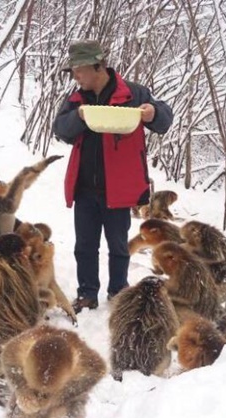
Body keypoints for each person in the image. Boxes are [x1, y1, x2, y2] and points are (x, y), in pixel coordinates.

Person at [52, 40, 173, 313]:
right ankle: (87, 293)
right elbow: (60, 129)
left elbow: (164, 119)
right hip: (84, 187)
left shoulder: (133, 93)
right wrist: (79, 116)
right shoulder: (76, 99)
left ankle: (118, 291)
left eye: (79, 70)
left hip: (118, 189)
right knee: (84, 245)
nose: (76, 77)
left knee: (118, 245)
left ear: (97, 67)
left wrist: (153, 114)